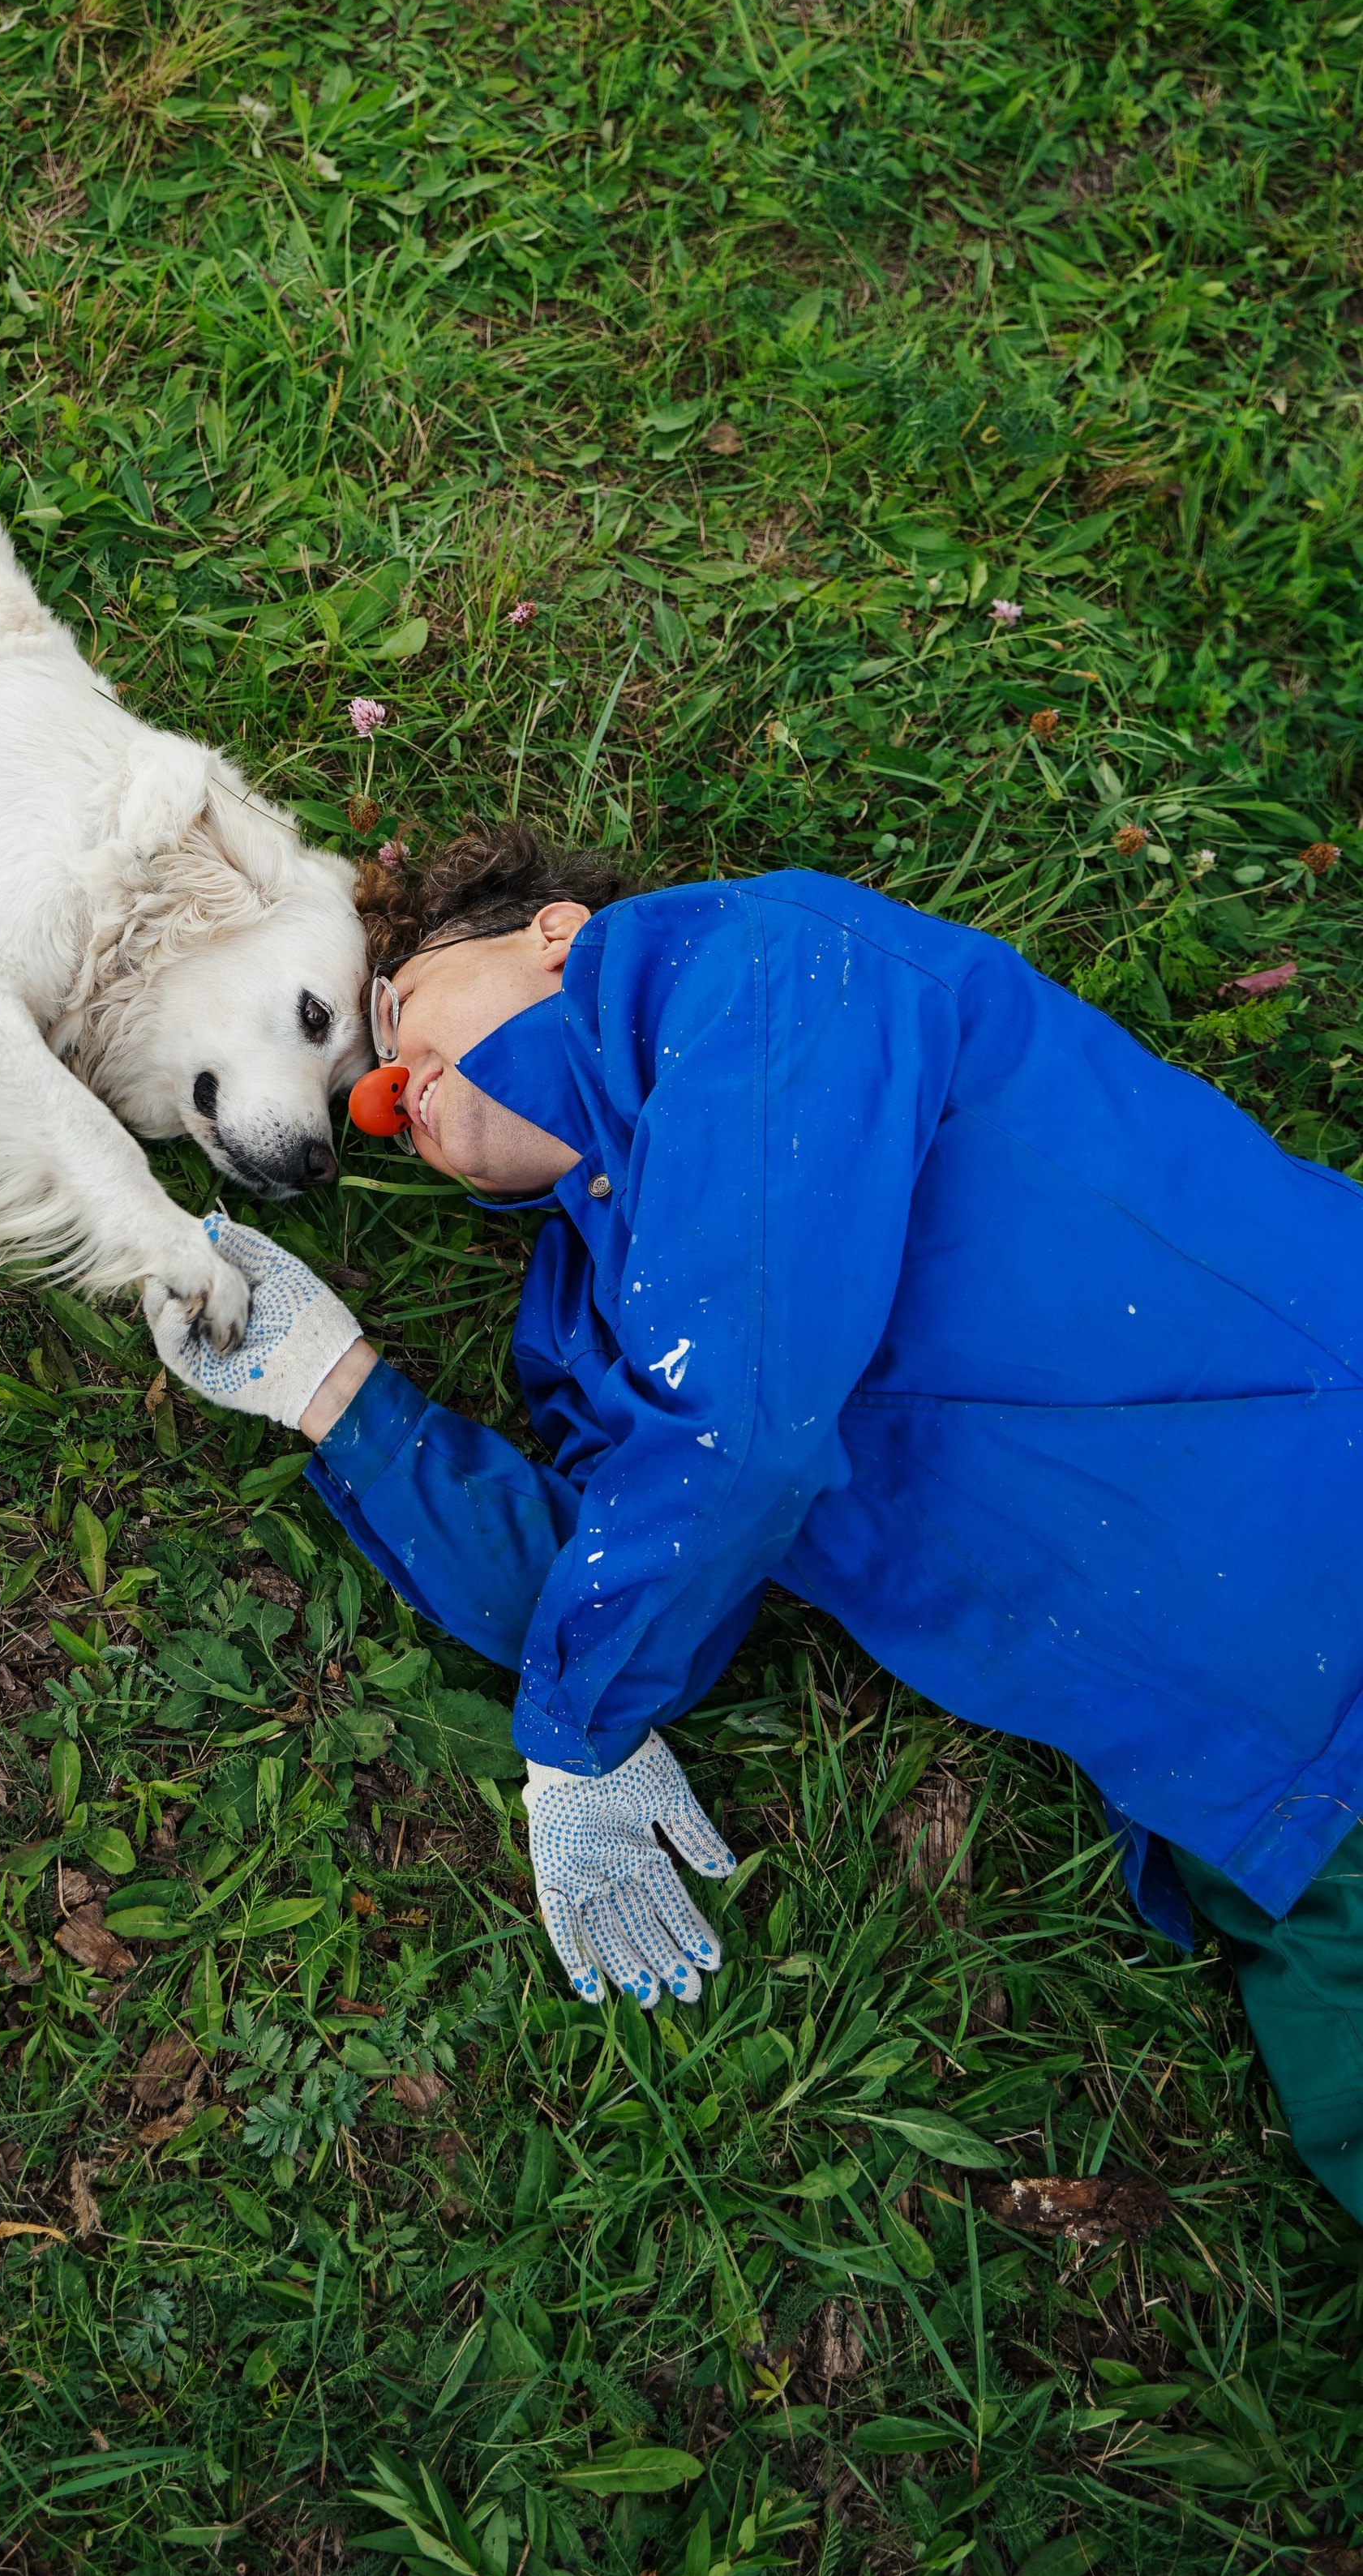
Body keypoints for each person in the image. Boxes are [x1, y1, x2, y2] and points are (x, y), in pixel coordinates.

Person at [145, 826, 1363, 2220]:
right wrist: (336, 1389)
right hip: (1262, 1818)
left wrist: (580, 1730)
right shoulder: (594, 1328)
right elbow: (624, 1566)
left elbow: (745, 1427)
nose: (379, 1100)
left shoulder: (756, 967)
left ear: (552, 932)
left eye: (394, 1011)